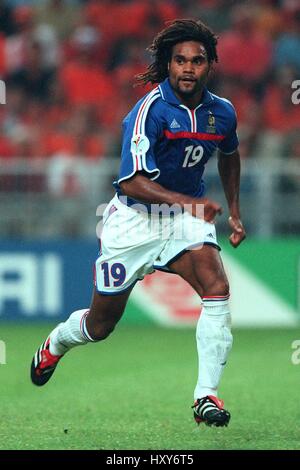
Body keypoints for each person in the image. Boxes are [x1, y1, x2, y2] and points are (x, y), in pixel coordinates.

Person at [31, 19, 246, 427]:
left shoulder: (223, 112)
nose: (187, 68)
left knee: (216, 286)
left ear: (209, 65)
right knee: (100, 325)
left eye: (197, 61)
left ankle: (206, 396)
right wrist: (188, 201)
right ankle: (57, 341)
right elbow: (131, 179)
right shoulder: (150, 109)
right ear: (168, 64)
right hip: (132, 222)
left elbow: (230, 153)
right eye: (179, 60)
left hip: (184, 219)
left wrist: (234, 210)